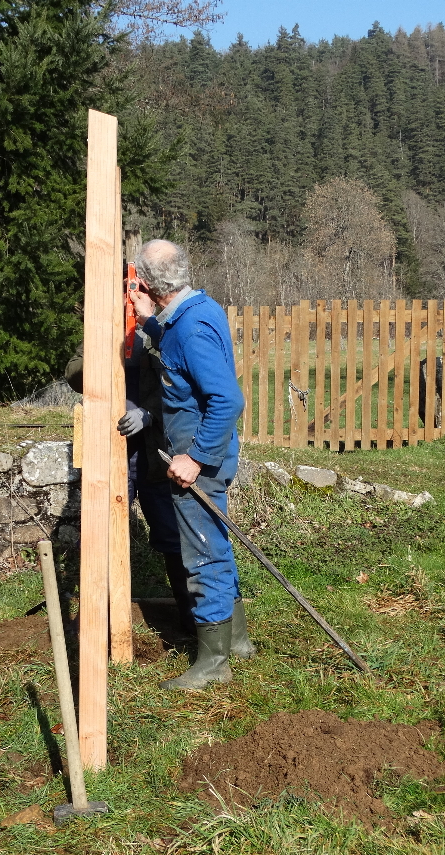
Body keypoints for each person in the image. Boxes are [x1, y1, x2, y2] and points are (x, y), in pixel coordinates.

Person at [130, 239, 254, 690]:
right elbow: (180, 357)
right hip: (205, 456)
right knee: (214, 543)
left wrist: (195, 458)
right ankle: (237, 641)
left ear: (145, 281)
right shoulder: (194, 311)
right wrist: (148, 320)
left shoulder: (191, 327)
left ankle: (213, 662)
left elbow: (227, 400)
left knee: (202, 553)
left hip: (200, 461)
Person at [63, 332, 196, 638]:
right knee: (100, 536)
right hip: (112, 451)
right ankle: (93, 622)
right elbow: (73, 374)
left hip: (155, 452)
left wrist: (149, 414)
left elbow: (180, 386)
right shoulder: (102, 326)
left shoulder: (159, 331)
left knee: (173, 537)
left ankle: (191, 622)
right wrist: (104, 349)